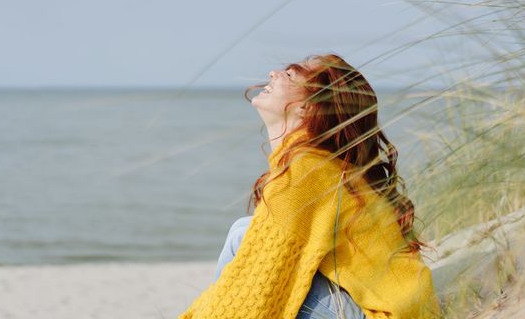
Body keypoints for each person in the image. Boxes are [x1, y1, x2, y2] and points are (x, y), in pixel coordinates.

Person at [178, 53, 441, 319]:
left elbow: (256, 286)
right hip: (404, 309)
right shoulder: (317, 164)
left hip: (382, 315)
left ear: (308, 108)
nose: (273, 73)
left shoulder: (307, 171)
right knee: (242, 231)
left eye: (291, 73)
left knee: (245, 246)